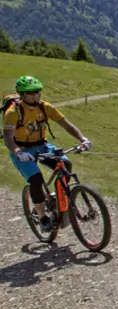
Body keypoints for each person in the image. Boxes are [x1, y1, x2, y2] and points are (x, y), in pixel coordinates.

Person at [3, 75, 92, 232]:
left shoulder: (45, 107)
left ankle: (59, 200)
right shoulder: (13, 112)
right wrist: (17, 152)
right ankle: (43, 218)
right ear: (22, 94)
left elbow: (66, 125)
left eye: (37, 91)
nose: (35, 95)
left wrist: (82, 138)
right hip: (22, 149)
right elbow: (8, 139)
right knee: (36, 180)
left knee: (65, 164)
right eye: (30, 93)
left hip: (42, 145)